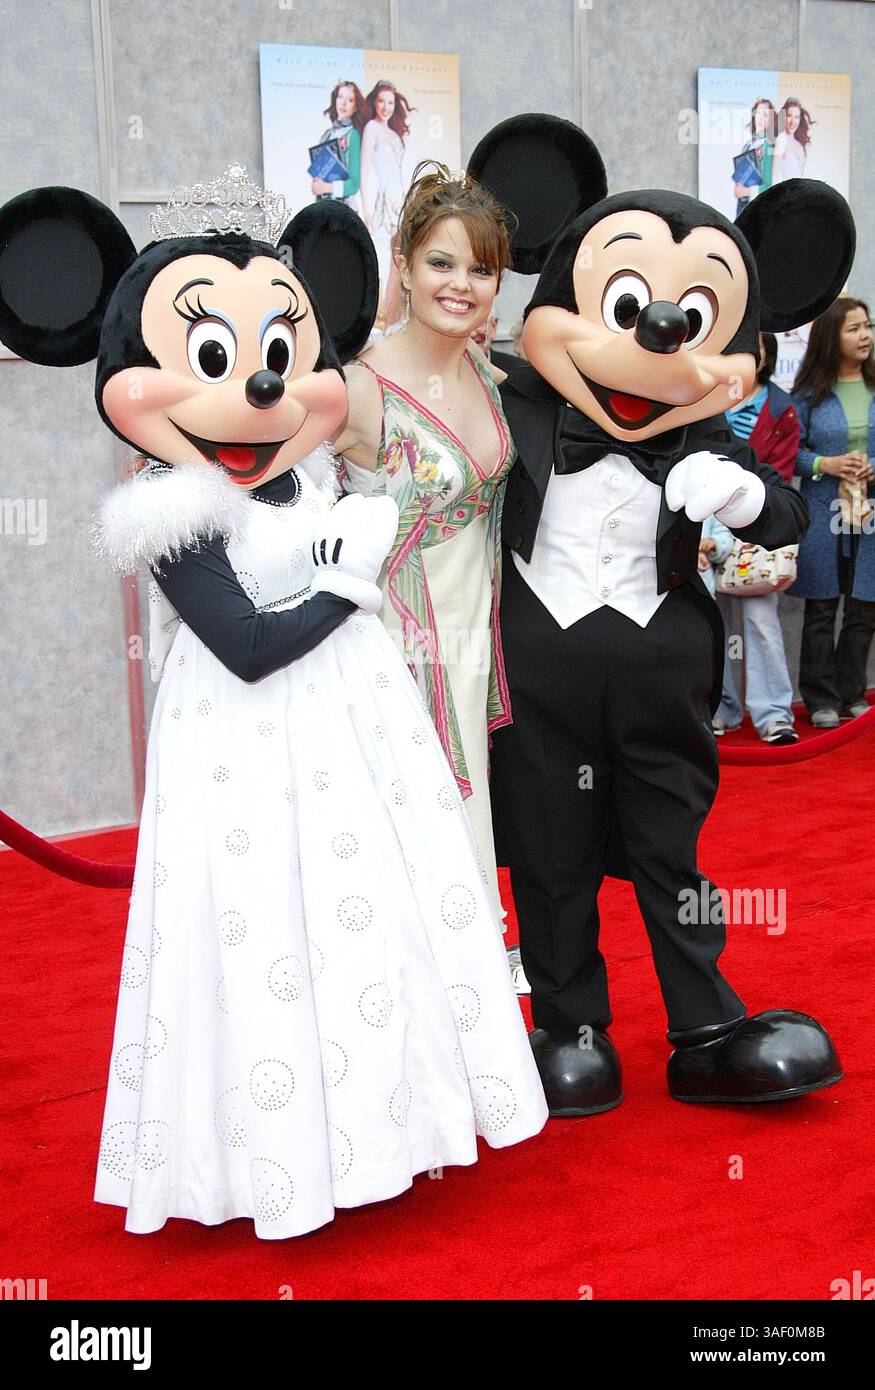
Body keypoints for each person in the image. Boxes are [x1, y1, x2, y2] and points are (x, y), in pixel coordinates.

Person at [0, 177, 548, 1240]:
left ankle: (389, 1129)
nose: (259, 388)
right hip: (241, 747)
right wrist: (348, 584)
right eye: (215, 359)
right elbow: (245, 648)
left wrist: (354, 564)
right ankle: (274, 1159)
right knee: (259, 931)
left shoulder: (312, 477)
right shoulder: (169, 512)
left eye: (281, 355)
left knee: (364, 914)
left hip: (353, 723)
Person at [332, 163, 516, 922]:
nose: (461, 284)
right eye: (440, 262)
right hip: (393, 649)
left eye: (481, 268)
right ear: (402, 267)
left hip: (474, 637)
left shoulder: (489, 372)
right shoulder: (353, 388)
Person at [788, 297, 875, 726]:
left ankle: (851, 691)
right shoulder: (808, 393)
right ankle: (820, 698)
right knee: (822, 606)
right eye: (854, 328)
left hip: (870, 511)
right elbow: (789, 453)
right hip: (825, 510)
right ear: (831, 337)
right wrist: (827, 464)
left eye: (868, 326)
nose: (865, 336)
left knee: (864, 606)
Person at [713, 332, 801, 744]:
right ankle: (720, 709)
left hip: (758, 530)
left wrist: (758, 524)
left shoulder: (781, 408)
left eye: (754, 346)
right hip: (699, 532)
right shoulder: (702, 400)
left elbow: (781, 475)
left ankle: (774, 716)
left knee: (762, 621)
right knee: (713, 626)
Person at [360, 81, 413, 323]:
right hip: (382, 202)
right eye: (381, 101)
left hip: (400, 201)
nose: (386, 106)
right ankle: (379, 315)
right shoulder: (372, 128)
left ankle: (395, 316)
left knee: (400, 257)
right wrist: (366, 210)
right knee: (382, 255)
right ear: (374, 102)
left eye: (390, 102)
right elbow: (364, 172)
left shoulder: (395, 133)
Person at [310, 79, 366, 211]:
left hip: (343, 212)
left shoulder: (353, 135)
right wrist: (317, 185)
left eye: (350, 100)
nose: (343, 103)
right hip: (322, 207)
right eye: (340, 97)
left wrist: (327, 187)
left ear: (356, 107)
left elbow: (354, 184)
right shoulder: (327, 134)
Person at [733, 97, 777, 216]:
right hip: (743, 207)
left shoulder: (771, 145)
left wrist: (749, 192)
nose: (761, 118)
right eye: (758, 113)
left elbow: (771, 182)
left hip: (761, 208)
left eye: (766, 115)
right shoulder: (747, 145)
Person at [773, 98, 813, 183]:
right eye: (789, 116)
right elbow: (774, 175)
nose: (793, 121)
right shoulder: (781, 138)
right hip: (787, 193)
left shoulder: (802, 144)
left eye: (796, 117)